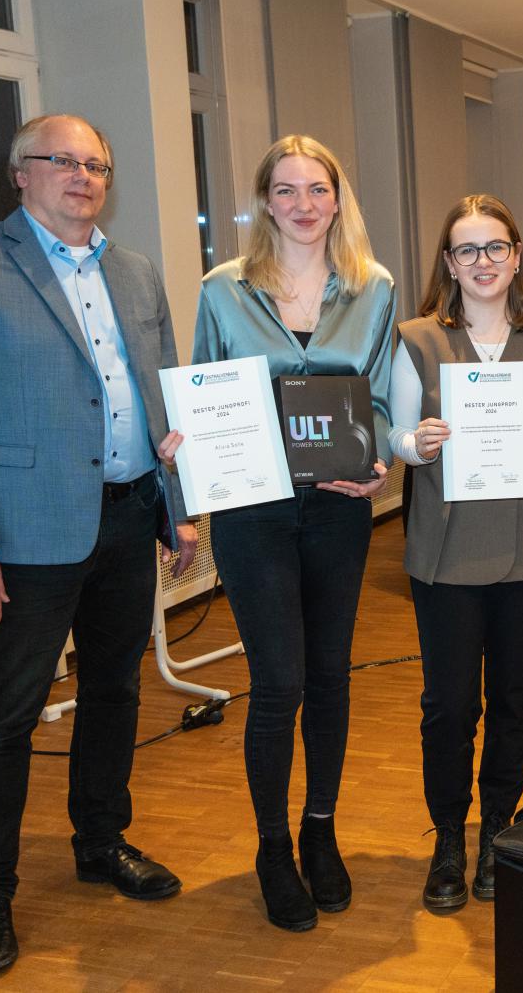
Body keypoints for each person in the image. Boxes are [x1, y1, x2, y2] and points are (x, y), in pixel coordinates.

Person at [0, 114, 197, 975]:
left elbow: (162, 401)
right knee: (6, 718)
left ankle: (101, 842)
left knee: (115, 691)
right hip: (25, 533)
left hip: (126, 515)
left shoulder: (137, 272)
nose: (81, 175)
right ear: (19, 175)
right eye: (60, 161)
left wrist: (177, 508)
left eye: (95, 163)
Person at [189, 135, 393, 932]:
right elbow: (205, 393)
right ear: (264, 201)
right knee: (279, 682)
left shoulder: (371, 288)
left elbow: (376, 400)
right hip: (253, 512)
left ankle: (320, 830)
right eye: (286, 190)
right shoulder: (222, 290)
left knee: (331, 677)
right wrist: (188, 449)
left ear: (337, 199)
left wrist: (377, 459)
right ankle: (272, 847)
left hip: (340, 507)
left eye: (317, 189)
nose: (303, 204)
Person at [390, 194, 523, 912]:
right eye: (467, 250)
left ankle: (497, 828)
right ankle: (448, 837)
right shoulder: (416, 340)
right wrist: (417, 444)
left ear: (518, 255)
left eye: (495, 247)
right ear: (448, 262)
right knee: (447, 708)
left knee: (513, 700)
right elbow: (396, 437)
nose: (483, 263)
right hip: (446, 552)